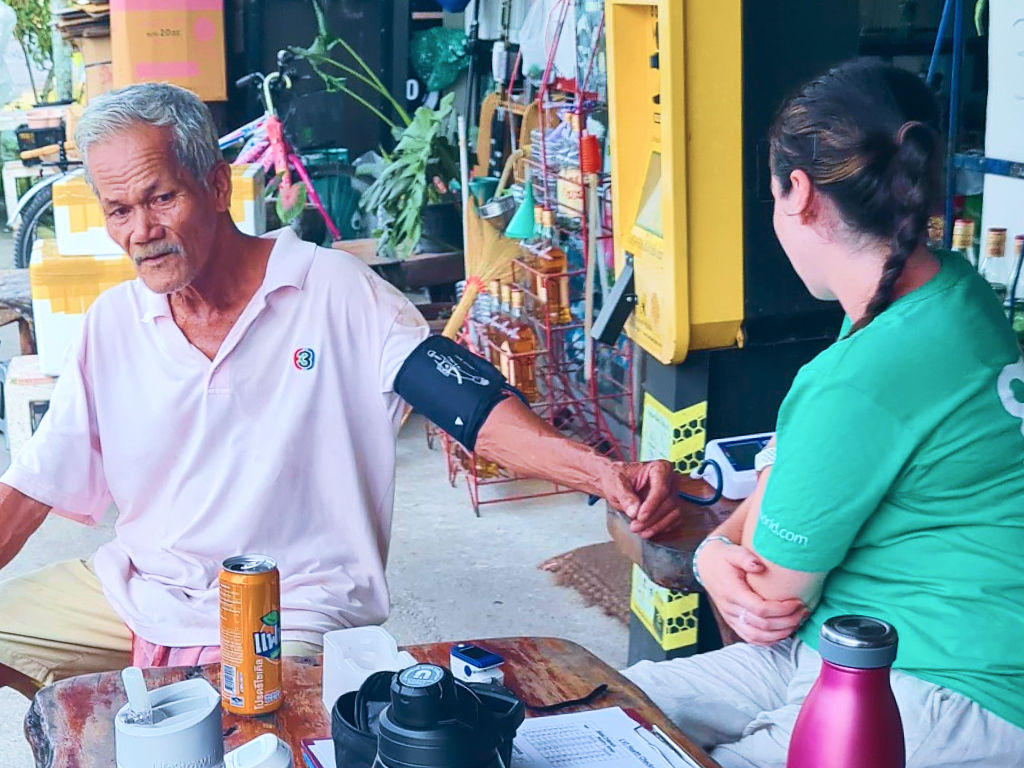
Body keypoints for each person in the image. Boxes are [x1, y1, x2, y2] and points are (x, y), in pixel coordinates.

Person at [0, 83, 681, 696]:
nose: (141, 232)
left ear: (216, 184)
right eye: (118, 211)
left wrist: (600, 469)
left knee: (269, 737)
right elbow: (32, 489)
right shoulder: (113, 325)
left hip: (293, 601)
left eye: (161, 198)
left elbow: (470, 407)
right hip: (141, 589)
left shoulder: (333, 290)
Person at [623, 59, 1024, 767]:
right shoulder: (944, 295)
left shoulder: (859, 377)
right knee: (611, 705)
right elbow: (783, 481)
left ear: (799, 194)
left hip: (933, 688)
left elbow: (768, 600)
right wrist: (719, 551)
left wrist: (717, 554)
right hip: (856, 647)